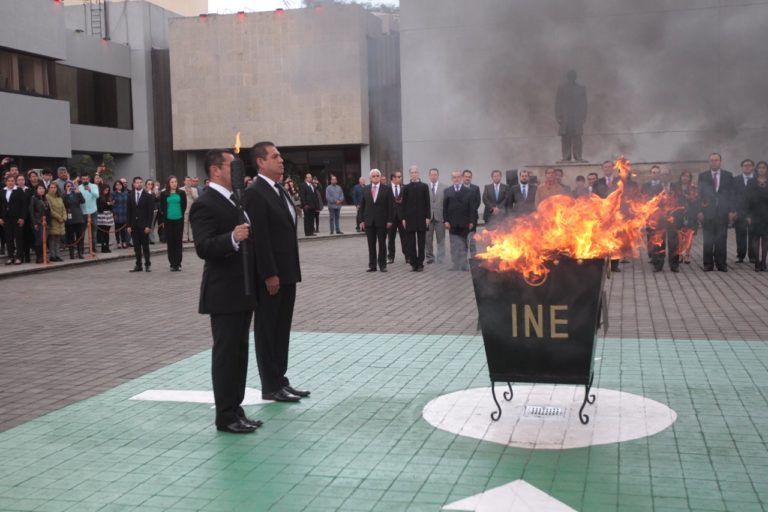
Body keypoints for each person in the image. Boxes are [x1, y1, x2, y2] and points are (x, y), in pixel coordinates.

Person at [189, 149, 261, 433]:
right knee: (226, 355)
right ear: (216, 170)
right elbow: (203, 247)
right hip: (223, 292)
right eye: (233, 166)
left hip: (242, 290)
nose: (238, 172)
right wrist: (232, 237)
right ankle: (225, 416)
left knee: (239, 354)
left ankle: (236, 409)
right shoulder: (205, 203)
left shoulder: (236, 199)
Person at [243, 141, 309, 403]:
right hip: (272, 276)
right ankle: (269, 385)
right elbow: (260, 238)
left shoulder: (278, 189)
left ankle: (280, 379)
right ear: (260, 162)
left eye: (280, 156)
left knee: (282, 329)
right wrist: (269, 273)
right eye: (275, 156)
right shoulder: (255, 192)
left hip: (287, 272)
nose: (281, 160)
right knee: (268, 330)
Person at [697, 153, 735, 272]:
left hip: (722, 213)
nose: (714, 162)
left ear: (720, 161)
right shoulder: (703, 176)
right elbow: (699, 195)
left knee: (721, 239)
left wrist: (731, 211)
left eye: (716, 160)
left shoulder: (728, 175)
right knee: (708, 240)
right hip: (708, 213)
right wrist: (700, 211)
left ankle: (721, 264)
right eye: (712, 160)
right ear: (709, 162)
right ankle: (708, 264)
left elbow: (732, 195)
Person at [359, 168, 394, 272]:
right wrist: (361, 220)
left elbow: (390, 206)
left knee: (382, 244)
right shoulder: (365, 189)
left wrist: (390, 220)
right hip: (369, 221)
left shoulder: (387, 189)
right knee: (371, 244)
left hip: (382, 221)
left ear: (380, 177)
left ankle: (382, 265)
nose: (375, 178)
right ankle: (372, 265)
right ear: (370, 178)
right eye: (373, 176)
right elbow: (362, 206)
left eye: (377, 176)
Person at [443, 170, 475, 271]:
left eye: (458, 177)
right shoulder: (447, 191)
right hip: (452, 223)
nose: (456, 179)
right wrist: (446, 221)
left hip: (464, 222)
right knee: (454, 244)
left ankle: (464, 264)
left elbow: (472, 208)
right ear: (451, 179)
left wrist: (471, 221)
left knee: (464, 244)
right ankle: (455, 264)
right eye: (454, 177)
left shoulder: (469, 191)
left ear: (461, 178)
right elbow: (445, 208)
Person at [401, 165, 431, 272]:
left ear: (418, 173)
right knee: (411, 243)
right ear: (410, 174)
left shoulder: (424, 186)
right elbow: (403, 204)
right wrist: (403, 218)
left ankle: (420, 263)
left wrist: (428, 217)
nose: (414, 174)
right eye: (412, 172)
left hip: (422, 218)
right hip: (409, 219)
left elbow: (427, 203)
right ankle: (413, 264)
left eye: (415, 172)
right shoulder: (406, 187)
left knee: (421, 242)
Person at [555, 69, 587, 162]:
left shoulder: (581, 89)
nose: (572, 78)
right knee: (565, 138)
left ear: (575, 77)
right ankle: (566, 157)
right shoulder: (561, 88)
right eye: (570, 76)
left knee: (577, 138)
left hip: (576, 117)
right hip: (565, 117)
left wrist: (584, 116)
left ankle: (578, 156)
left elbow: (584, 104)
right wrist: (558, 117)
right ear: (568, 77)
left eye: (573, 76)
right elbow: (557, 103)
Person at [160, 175, 187, 271]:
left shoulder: (182, 193)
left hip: (179, 219)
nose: (174, 183)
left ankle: (178, 263)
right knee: (170, 242)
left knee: (178, 241)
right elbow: (162, 207)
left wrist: (180, 214)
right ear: (168, 183)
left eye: (175, 182)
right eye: (172, 182)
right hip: (168, 220)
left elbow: (184, 206)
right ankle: (172, 263)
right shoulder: (164, 194)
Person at [127, 176, 155, 272]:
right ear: (134, 184)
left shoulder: (148, 196)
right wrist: (128, 225)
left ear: (142, 184)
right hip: (134, 225)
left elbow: (150, 213)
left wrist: (148, 226)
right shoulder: (130, 195)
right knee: (136, 247)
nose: (139, 184)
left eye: (140, 182)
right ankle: (138, 265)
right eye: (137, 182)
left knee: (145, 246)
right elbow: (129, 211)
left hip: (144, 226)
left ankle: (147, 264)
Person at [733, 158, 756, 263]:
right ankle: (740, 255)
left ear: (753, 167)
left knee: (753, 235)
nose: (747, 167)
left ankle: (753, 256)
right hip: (739, 212)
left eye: (749, 165)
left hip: (754, 213)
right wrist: (734, 210)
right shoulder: (735, 180)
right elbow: (732, 196)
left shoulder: (757, 180)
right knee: (740, 235)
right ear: (741, 167)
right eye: (745, 165)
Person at [0, 174, 27, 265]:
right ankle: (10, 257)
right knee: (8, 238)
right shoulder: (2, 191)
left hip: (17, 218)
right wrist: (0, 218)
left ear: (15, 182)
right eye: (9, 181)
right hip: (6, 218)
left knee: (18, 238)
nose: (10, 182)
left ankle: (19, 257)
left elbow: (24, 205)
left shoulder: (19, 191)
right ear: (6, 182)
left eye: (12, 181)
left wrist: (22, 217)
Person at [747, 161, 768, 271]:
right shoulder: (751, 182)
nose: (762, 169)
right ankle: (756, 263)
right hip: (754, 213)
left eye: (764, 167)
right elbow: (747, 199)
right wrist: (748, 215)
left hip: (767, 214)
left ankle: (763, 263)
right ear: (756, 169)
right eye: (760, 167)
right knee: (755, 238)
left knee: (766, 238)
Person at [677, 170, 699, 265]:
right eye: (684, 176)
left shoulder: (693, 188)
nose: (685, 178)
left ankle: (686, 255)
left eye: (687, 176)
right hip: (678, 214)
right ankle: (680, 254)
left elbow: (696, 201)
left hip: (690, 214)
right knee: (679, 236)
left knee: (689, 236)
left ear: (690, 178)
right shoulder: (676, 187)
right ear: (680, 177)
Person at [425, 168, 445, 264]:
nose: (433, 176)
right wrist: (425, 217)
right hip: (428, 218)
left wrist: (446, 218)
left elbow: (446, 204)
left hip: (440, 217)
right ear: (429, 176)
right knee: (428, 239)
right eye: (431, 175)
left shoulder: (444, 188)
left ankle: (441, 257)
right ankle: (429, 257)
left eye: (435, 174)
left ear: (438, 175)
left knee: (441, 238)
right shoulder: (425, 187)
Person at [387, 171, 407, 264]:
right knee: (391, 238)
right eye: (398, 177)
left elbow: (407, 202)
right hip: (391, 217)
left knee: (405, 238)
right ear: (393, 178)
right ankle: (391, 257)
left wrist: (403, 201)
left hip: (402, 217)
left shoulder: (404, 188)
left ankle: (408, 256)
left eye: (400, 176)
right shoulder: (387, 188)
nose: (400, 178)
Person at [63, 181, 85, 259]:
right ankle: (71, 254)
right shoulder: (64, 195)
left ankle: (79, 253)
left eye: (70, 186)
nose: (69, 187)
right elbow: (64, 203)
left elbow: (83, 201)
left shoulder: (76, 193)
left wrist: (78, 192)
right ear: (65, 187)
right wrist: (67, 194)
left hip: (78, 218)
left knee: (79, 237)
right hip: (69, 219)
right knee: (70, 237)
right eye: (67, 186)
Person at [78, 173, 99, 254]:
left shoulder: (94, 186)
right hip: (82, 212)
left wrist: (90, 190)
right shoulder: (79, 187)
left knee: (94, 231)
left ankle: (93, 248)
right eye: (83, 179)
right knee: (82, 231)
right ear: (81, 180)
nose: (85, 180)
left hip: (93, 211)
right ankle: (81, 250)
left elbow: (97, 196)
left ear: (89, 179)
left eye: (86, 179)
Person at [28, 184, 49, 263]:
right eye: (40, 188)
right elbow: (31, 212)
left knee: (44, 240)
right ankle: (39, 257)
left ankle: (44, 256)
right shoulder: (33, 198)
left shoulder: (45, 198)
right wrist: (34, 223)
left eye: (43, 188)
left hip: (45, 223)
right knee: (39, 240)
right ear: (36, 190)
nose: (41, 190)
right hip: (38, 222)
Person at [45, 183, 66, 262]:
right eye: (51, 187)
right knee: (52, 239)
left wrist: (64, 217)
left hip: (61, 222)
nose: (53, 189)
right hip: (53, 220)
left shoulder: (59, 197)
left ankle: (57, 255)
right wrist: (58, 217)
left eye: (55, 187)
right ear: (49, 188)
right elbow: (50, 210)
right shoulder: (47, 197)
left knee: (58, 239)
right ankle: (52, 255)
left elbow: (64, 209)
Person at [112, 180, 129, 248]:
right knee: (117, 228)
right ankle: (118, 242)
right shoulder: (113, 194)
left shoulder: (125, 193)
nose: (118, 186)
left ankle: (124, 242)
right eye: (117, 185)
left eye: (119, 184)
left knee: (123, 229)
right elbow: (112, 204)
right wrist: (114, 213)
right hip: (117, 212)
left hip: (124, 212)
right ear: (115, 186)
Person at [182, 176, 199, 242]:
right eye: (187, 180)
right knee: (185, 223)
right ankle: (185, 238)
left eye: (189, 180)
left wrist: (191, 193)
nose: (188, 182)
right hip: (184, 209)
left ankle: (191, 238)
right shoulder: (181, 189)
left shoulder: (194, 190)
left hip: (192, 209)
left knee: (191, 224)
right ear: (184, 182)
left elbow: (197, 199)